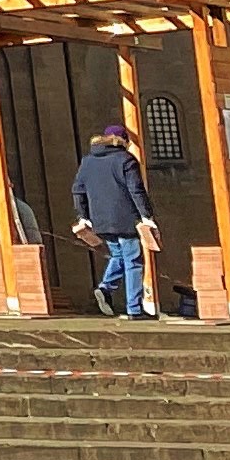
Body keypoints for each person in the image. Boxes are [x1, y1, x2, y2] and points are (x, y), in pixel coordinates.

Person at [73, 123, 161, 318]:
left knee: (118, 256)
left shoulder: (87, 161)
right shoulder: (126, 160)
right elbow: (136, 190)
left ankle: (105, 287)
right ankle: (134, 309)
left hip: (100, 221)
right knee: (133, 261)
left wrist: (83, 216)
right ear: (124, 141)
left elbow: (78, 191)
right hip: (126, 219)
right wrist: (146, 216)